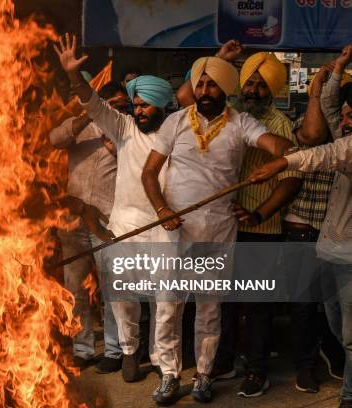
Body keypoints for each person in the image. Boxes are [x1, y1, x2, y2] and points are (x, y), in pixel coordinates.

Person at [141, 55, 294, 404]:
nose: (204, 91)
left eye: (211, 84)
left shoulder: (242, 124)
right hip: (175, 230)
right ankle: (168, 374)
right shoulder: (175, 122)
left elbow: (272, 144)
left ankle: (204, 375)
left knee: (209, 309)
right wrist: (162, 209)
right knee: (168, 306)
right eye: (200, 84)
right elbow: (149, 174)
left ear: (226, 88)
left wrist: (286, 151)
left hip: (218, 232)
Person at [55, 33, 173, 383]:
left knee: (148, 298)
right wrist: (76, 80)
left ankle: (141, 356)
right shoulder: (113, 126)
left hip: (137, 226)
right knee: (102, 294)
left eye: (141, 104)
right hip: (98, 224)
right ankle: (105, 351)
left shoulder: (162, 134)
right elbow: (73, 122)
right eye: (130, 104)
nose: (135, 110)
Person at [188, 47, 302, 397]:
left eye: (262, 86)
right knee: (223, 301)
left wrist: (260, 212)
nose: (252, 90)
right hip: (225, 227)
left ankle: (256, 371)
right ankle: (222, 361)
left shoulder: (280, 126)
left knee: (256, 307)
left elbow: (293, 175)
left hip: (259, 229)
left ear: (275, 91)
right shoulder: (230, 117)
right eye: (249, 83)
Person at [251, 44, 352, 408]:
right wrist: (332, 77)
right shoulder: (326, 130)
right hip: (317, 238)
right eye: (346, 109)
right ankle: (314, 365)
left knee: (341, 322)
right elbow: (319, 128)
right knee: (315, 310)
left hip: (343, 247)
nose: (346, 114)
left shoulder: (345, 145)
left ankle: (342, 380)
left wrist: (284, 164)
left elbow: (327, 150)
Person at [49, 83, 124, 372]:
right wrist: (91, 114)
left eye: (118, 103)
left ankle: (115, 350)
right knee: (76, 288)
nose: (112, 107)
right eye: (108, 102)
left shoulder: (125, 130)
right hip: (72, 221)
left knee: (112, 287)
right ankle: (83, 348)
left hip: (108, 221)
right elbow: (55, 138)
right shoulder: (79, 124)